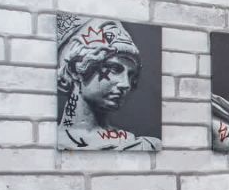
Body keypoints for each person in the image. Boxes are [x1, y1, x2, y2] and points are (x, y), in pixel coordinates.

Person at [57, 18, 162, 151]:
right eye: (114, 69)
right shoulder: (47, 144)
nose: (126, 84)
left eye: (131, 75)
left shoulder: (146, 146)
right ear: (74, 70)